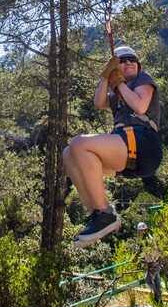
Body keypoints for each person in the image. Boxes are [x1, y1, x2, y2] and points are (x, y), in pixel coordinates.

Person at [63, 46, 162, 248]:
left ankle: (106, 213)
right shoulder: (117, 93)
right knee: (69, 154)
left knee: (79, 143)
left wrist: (120, 84)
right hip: (126, 153)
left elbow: (141, 106)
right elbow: (99, 102)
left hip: (144, 143)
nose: (128, 63)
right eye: (122, 60)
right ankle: (97, 215)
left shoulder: (143, 79)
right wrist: (106, 77)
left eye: (132, 59)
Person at [137, 222, 162, 302]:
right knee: (157, 281)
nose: (141, 232)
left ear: (145, 230)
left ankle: (158, 294)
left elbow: (141, 249)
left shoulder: (146, 239)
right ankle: (159, 300)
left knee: (148, 280)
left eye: (142, 230)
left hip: (153, 263)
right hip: (156, 261)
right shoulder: (149, 237)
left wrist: (135, 257)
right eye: (140, 231)